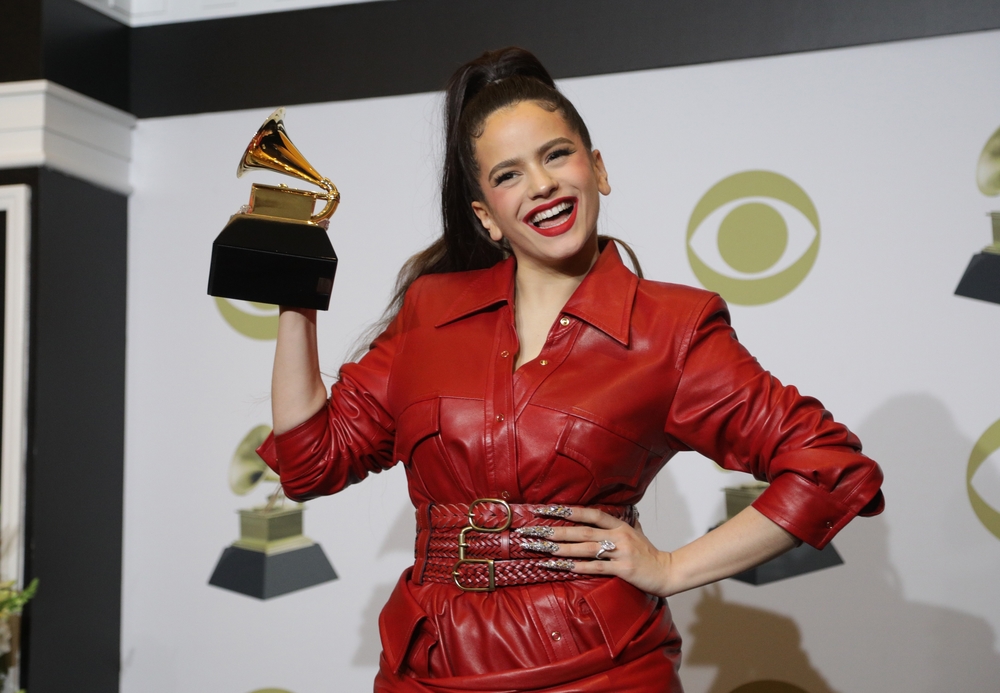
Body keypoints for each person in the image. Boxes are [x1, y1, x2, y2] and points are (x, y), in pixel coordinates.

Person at [257, 47, 884, 692]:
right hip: (426, 669)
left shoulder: (671, 327)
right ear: (486, 217)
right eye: (508, 175)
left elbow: (826, 467)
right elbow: (311, 464)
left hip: (600, 673)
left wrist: (671, 568)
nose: (542, 184)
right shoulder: (430, 309)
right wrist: (295, 300)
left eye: (556, 155)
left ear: (598, 169)